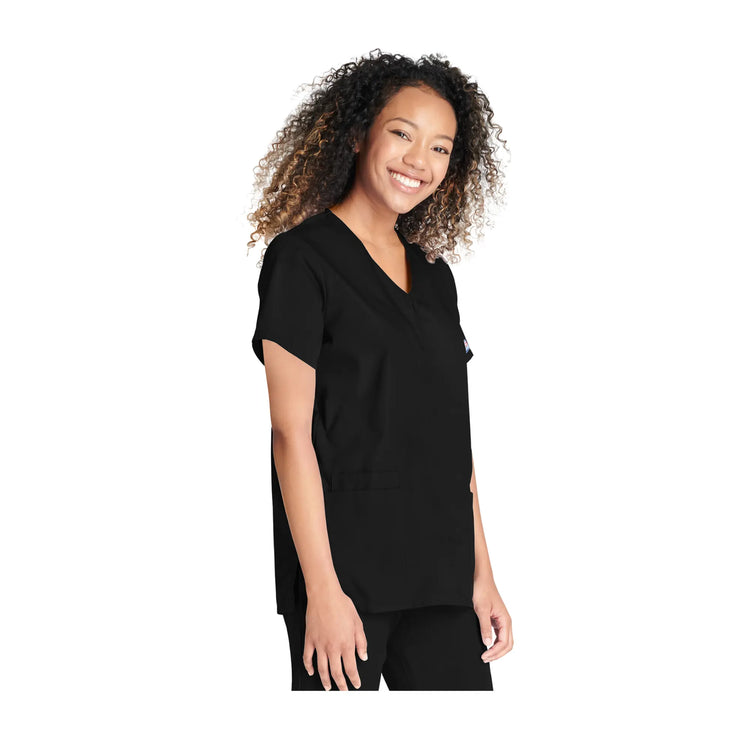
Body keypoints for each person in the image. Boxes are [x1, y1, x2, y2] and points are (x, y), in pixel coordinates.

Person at [247, 50, 513, 691]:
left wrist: (481, 575)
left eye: (441, 148)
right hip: (347, 576)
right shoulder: (301, 261)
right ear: (358, 134)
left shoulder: (435, 277)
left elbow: (452, 440)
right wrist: (322, 591)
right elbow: (290, 435)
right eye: (402, 133)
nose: (419, 160)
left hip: (442, 575)